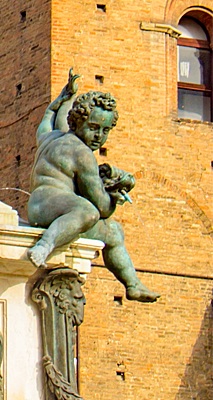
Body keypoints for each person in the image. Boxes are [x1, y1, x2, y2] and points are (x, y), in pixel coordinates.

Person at [27, 70, 159, 302]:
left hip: (42, 206)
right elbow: (101, 207)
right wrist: (116, 194)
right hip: (53, 208)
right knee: (88, 211)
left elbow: (45, 123)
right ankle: (46, 245)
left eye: (105, 130)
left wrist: (61, 100)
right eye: (94, 127)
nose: (99, 136)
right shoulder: (83, 154)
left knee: (114, 233)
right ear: (77, 122)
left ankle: (133, 284)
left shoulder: (52, 138)